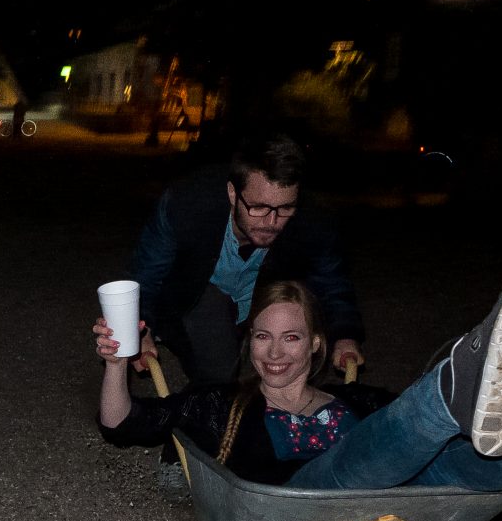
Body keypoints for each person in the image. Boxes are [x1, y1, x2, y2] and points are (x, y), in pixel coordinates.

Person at [94, 238, 502, 489]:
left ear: (316, 345)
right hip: (308, 505)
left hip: (397, 502)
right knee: (374, 450)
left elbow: (418, 440)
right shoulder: (222, 403)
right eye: (262, 336)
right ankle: (459, 379)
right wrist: (116, 360)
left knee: (460, 466)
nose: (274, 352)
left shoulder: (355, 399)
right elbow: (123, 424)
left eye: (291, 337)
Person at [129, 132, 365, 387]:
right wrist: (140, 329)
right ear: (233, 193)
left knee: (291, 376)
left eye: (285, 208)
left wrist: (345, 335)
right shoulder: (186, 203)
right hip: (202, 291)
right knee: (218, 375)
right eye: (259, 207)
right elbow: (147, 273)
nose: (271, 222)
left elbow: (332, 281)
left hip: (265, 290)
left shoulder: (312, 219)